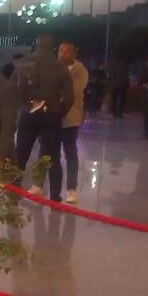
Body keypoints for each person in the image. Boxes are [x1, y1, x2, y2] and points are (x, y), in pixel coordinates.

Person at [14, 34, 75, 203]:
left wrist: (24, 107)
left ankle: (13, 192)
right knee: (53, 157)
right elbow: (70, 98)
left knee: (21, 155)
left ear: (36, 45)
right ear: (53, 47)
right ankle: (55, 196)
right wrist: (59, 112)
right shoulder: (61, 67)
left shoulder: (24, 63)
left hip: (28, 114)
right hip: (52, 115)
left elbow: (12, 88)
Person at [58, 43, 88, 204]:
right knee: (46, 152)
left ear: (74, 54)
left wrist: (52, 90)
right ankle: (39, 184)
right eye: (60, 50)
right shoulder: (54, 68)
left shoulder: (80, 71)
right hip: (53, 117)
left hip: (71, 118)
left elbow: (72, 91)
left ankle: (71, 189)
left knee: (70, 154)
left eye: (66, 51)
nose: (62, 54)